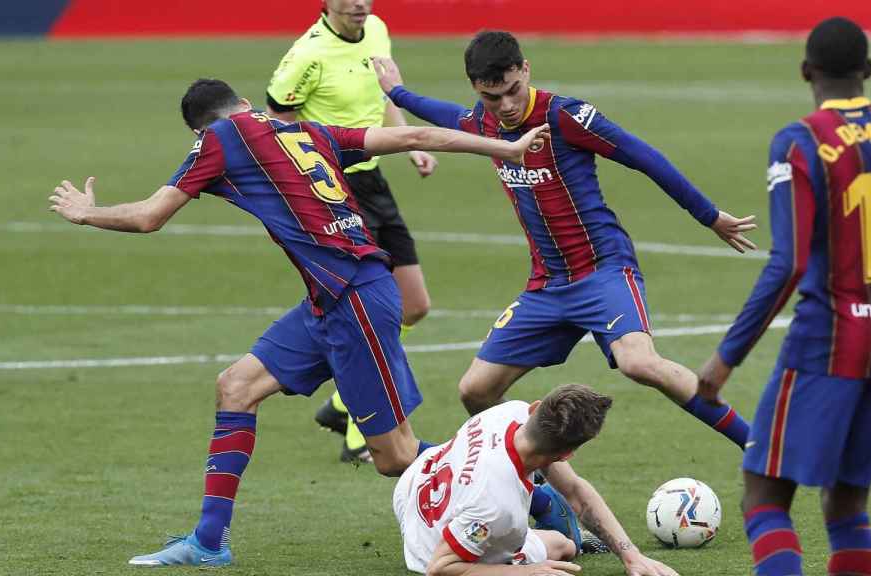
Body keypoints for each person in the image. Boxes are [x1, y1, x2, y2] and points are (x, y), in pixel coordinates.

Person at [47, 78, 548, 567]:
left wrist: (88, 214)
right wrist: (503, 149)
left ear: (199, 134)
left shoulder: (220, 139)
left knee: (395, 457)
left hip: (356, 299)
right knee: (236, 387)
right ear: (245, 102)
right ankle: (208, 542)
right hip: (329, 300)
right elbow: (415, 136)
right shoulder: (308, 131)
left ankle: (539, 497)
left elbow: (149, 217)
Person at [372, 32, 756, 454]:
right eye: (491, 97)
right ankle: (541, 489)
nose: (506, 106)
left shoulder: (566, 116)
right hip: (548, 286)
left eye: (513, 91)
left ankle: (756, 444)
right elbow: (444, 114)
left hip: (603, 269)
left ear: (526, 70)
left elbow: (644, 156)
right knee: (475, 391)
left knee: (638, 362)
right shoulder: (484, 124)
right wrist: (398, 93)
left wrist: (710, 216)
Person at [696, 17, 871, 576]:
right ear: (868, 72)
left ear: (806, 72)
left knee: (765, 495)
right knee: (847, 500)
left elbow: (790, 262)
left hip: (826, 342)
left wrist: (724, 358)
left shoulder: (800, 141)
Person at [266, 0, 436, 463]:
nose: (360, 4)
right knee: (366, 310)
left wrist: (407, 144)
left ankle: (343, 405)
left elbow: (379, 100)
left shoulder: (377, 29)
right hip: (336, 190)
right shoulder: (306, 55)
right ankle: (363, 432)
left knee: (415, 304)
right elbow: (275, 122)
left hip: (374, 178)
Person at [394, 384, 677, 576]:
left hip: (413, 484)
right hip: (427, 549)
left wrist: (631, 555)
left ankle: (540, 500)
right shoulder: (497, 506)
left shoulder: (510, 412)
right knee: (562, 545)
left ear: (535, 408)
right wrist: (524, 572)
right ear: (566, 455)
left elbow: (576, 493)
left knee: (543, 534)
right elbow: (440, 567)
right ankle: (541, 507)